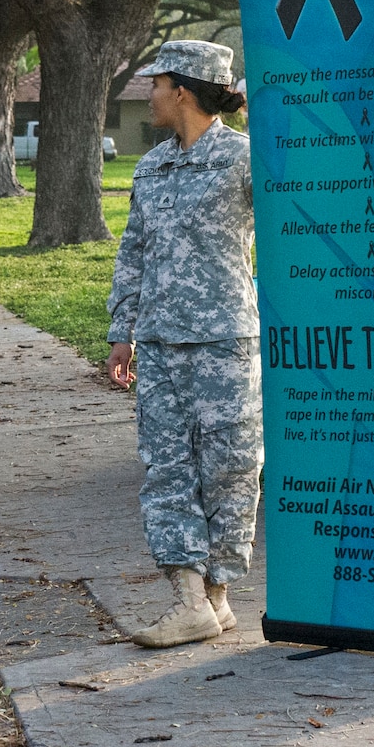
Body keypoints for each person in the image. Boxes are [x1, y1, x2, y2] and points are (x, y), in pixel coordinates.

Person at [104, 40, 260, 648]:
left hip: (226, 339)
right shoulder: (152, 165)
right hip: (162, 342)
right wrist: (123, 330)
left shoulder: (245, 160)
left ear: (186, 91)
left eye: (158, 83)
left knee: (232, 468)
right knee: (167, 469)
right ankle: (187, 597)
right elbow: (134, 250)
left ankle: (217, 597)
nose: (151, 93)